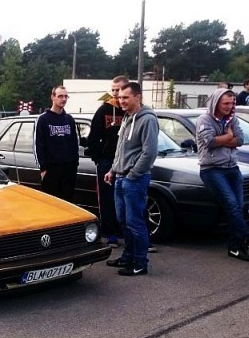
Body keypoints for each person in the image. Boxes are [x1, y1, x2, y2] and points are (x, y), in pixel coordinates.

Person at [195, 88, 249, 261]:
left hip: (233, 168)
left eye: (232, 103)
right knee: (232, 205)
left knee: (237, 208)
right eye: (226, 103)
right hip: (212, 170)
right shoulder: (205, 119)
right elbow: (209, 142)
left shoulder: (233, 119)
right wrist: (228, 136)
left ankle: (235, 248)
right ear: (216, 102)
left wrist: (225, 138)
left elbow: (240, 140)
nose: (229, 106)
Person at [103, 82, 158, 276]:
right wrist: (113, 170)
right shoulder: (127, 117)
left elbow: (149, 152)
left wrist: (133, 174)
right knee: (123, 220)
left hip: (134, 179)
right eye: (119, 97)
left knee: (135, 222)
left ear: (138, 97)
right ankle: (128, 256)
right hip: (120, 177)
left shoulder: (148, 119)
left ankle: (140, 263)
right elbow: (122, 149)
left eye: (125, 97)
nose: (121, 101)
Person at [87, 75, 127, 247]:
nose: (115, 93)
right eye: (113, 90)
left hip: (126, 161)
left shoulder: (130, 110)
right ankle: (110, 233)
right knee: (107, 198)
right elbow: (93, 137)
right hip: (107, 161)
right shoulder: (104, 110)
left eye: (118, 90)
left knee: (125, 198)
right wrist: (98, 158)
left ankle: (124, 231)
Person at [35, 85, 79, 201]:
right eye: (60, 96)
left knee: (67, 202)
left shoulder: (69, 119)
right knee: (51, 204)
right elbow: (38, 145)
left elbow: (74, 143)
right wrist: (43, 169)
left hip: (69, 170)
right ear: (53, 97)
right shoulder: (43, 119)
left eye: (66, 96)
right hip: (51, 169)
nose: (63, 99)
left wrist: (75, 164)